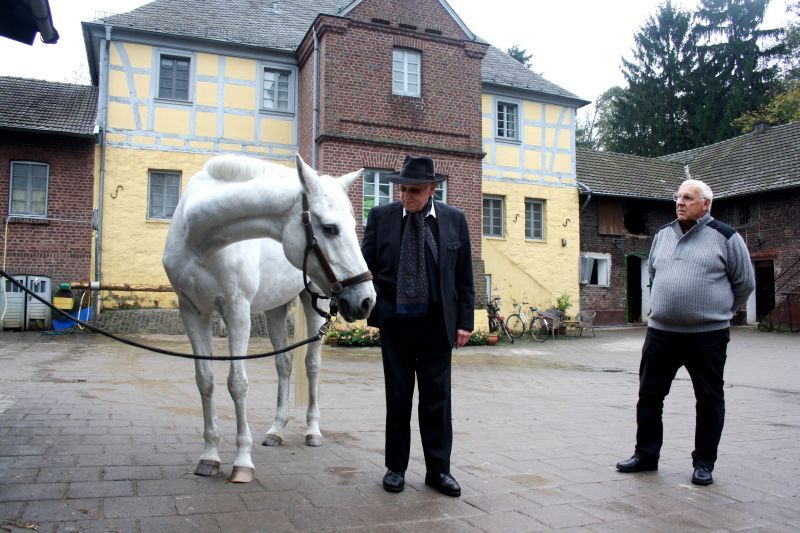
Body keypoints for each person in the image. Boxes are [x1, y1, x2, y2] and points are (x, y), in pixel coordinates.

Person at [616, 179, 755, 486]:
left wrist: (722, 313)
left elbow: (744, 283)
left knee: (708, 398)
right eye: (678, 197)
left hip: (707, 336)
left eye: (688, 198)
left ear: (706, 204)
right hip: (661, 333)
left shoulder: (726, 237)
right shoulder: (663, 235)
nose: (680, 202)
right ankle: (646, 455)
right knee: (649, 396)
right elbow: (654, 272)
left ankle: (704, 462)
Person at [361, 155, 474, 497]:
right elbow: (366, 267)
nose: (405, 196)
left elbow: (464, 277)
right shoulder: (381, 218)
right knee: (398, 397)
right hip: (396, 324)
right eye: (402, 190)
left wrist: (465, 322)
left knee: (437, 400)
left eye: (414, 191)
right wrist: (376, 304)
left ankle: (439, 471)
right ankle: (395, 468)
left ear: (431, 190)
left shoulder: (454, 220)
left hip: (437, 325)